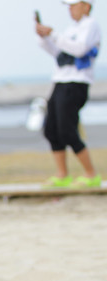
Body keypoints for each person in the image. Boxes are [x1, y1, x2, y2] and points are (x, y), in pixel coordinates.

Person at [36, 0, 102, 188]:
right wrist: (43, 37)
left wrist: (53, 34)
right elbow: (59, 53)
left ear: (86, 6)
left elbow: (79, 49)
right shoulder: (71, 28)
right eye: (69, 6)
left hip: (77, 83)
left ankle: (91, 174)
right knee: (51, 129)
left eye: (74, 5)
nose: (70, 9)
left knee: (67, 130)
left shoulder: (91, 25)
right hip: (60, 81)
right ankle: (62, 175)